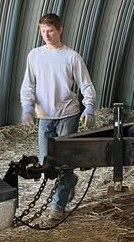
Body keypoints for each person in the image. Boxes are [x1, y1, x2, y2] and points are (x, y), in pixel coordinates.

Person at [20, 13, 96, 222]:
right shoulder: (34, 55)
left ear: (60, 29)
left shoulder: (72, 57)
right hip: (45, 117)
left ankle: (57, 206)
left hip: (67, 115)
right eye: (43, 31)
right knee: (48, 166)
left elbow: (85, 84)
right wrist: (27, 107)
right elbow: (28, 84)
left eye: (50, 31)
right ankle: (70, 181)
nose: (47, 35)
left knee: (63, 164)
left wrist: (88, 106)